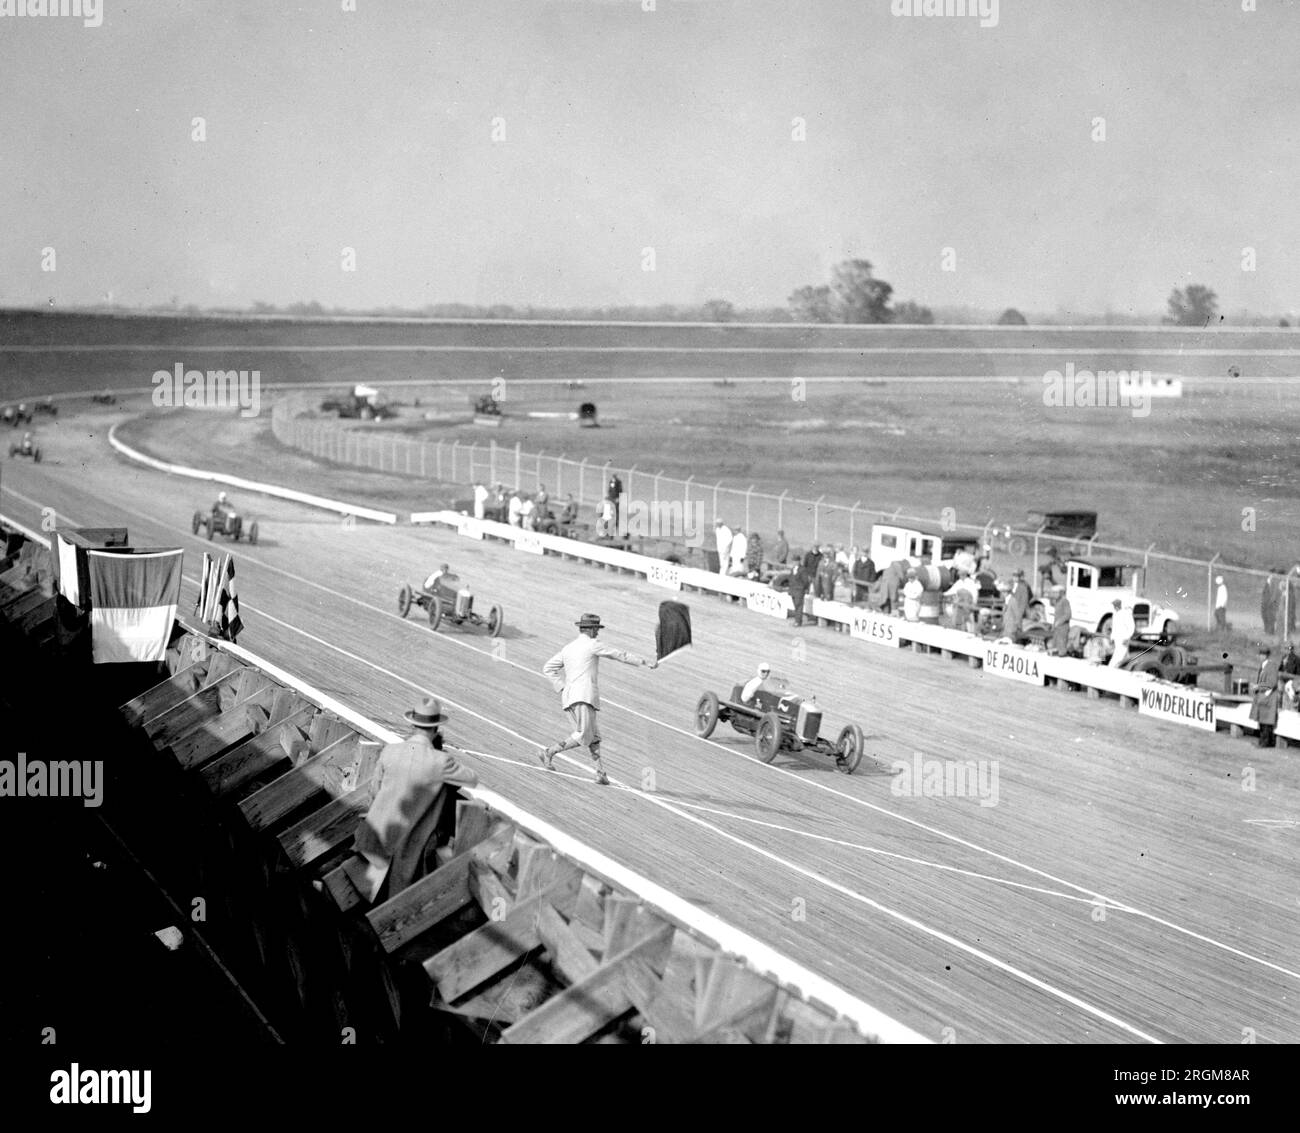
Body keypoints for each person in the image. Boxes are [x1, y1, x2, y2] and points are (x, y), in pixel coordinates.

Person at [343, 698, 479, 904]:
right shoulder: (441, 761)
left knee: (350, 894)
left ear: (413, 725)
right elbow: (471, 778)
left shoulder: (390, 751)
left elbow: (374, 793)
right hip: (408, 850)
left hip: (373, 842)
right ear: (436, 728)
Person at [541, 613, 657, 785]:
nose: (597, 633)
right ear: (590, 629)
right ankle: (549, 752)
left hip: (570, 698)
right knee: (584, 735)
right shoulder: (592, 645)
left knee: (593, 736)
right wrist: (645, 662)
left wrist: (562, 687)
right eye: (596, 629)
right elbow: (619, 655)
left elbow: (548, 668)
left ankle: (600, 773)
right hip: (584, 697)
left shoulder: (568, 648)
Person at [1249, 646, 1280, 748]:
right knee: (1262, 720)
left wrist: (1258, 686)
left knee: (1266, 721)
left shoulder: (1271, 666)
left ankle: (1265, 743)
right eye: (1260, 654)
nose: (1261, 656)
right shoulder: (1263, 666)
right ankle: (1263, 741)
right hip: (1263, 696)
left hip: (1269, 697)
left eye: (1263, 655)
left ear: (1267, 655)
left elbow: (1272, 683)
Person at [1108, 599, 1136, 668]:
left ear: (1118, 606)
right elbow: (1114, 627)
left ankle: (1111, 667)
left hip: (1123, 638)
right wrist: (1112, 637)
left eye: (1115, 605)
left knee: (1119, 655)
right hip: (1117, 638)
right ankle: (1127, 667)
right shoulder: (1115, 614)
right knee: (1122, 654)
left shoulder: (1126, 614)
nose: (1114, 607)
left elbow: (1131, 627)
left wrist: (1127, 638)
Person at [1049, 584, 1072, 656]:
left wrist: (1059, 622)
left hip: (1063, 628)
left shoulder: (1065, 601)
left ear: (1061, 593)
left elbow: (1068, 614)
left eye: (1056, 593)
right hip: (1057, 628)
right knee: (1055, 646)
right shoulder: (1058, 601)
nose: (1054, 594)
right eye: (1053, 593)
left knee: (1062, 648)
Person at [787, 558, 809, 627]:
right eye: (794, 561)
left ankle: (798, 621)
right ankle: (796, 620)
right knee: (796, 605)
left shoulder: (803, 569)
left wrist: (802, 588)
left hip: (799, 590)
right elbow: (790, 578)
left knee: (799, 606)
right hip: (793, 590)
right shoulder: (793, 569)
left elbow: (805, 581)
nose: (794, 562)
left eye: (796, 561)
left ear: (799, 561)